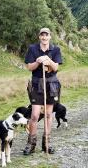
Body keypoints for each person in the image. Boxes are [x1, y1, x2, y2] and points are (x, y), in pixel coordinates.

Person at [23, 27, 62, 155]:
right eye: (42, 35)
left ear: (50, 37)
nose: (44, 37)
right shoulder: (33, 49)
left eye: (46, 35)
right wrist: (38, 61)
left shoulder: (55, 49)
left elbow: (56, 67)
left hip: (51, 84)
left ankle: (47, 143)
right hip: (36, 83)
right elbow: (29, 67)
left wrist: (48, 60)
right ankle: (31, 144)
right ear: (39, 37)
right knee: (34, 115)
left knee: (49, 114)